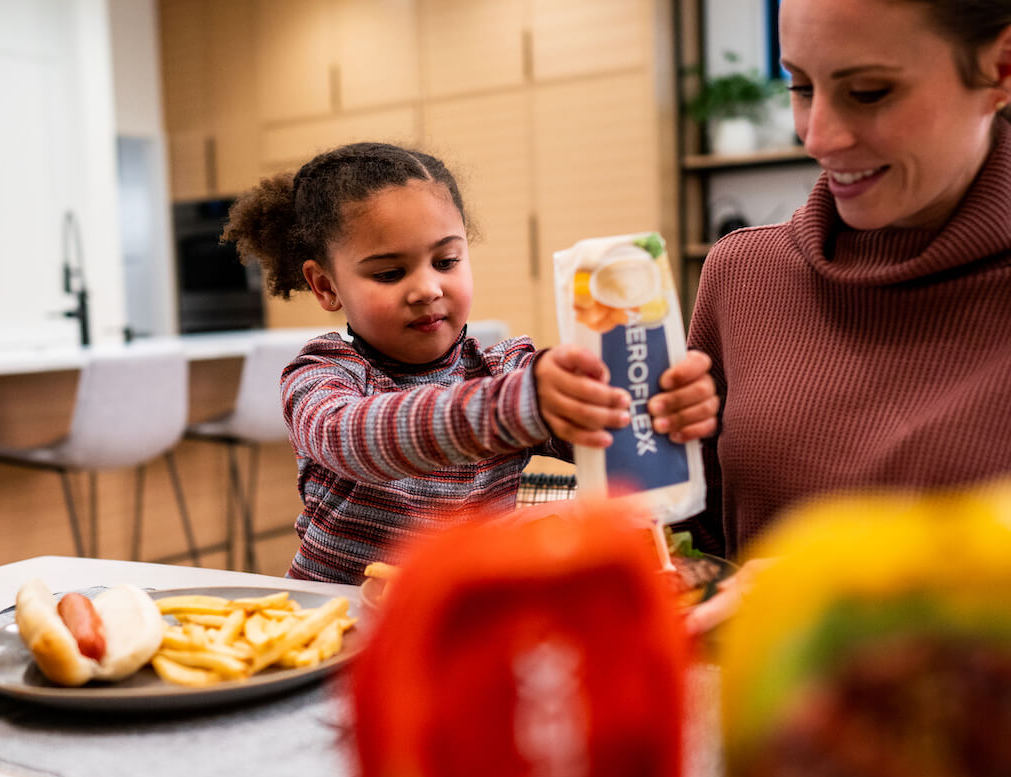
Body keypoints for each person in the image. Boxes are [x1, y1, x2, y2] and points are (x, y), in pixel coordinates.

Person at [223, 142, 718, 584]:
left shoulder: (507, 369)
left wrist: (654, 410)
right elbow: (352, 438)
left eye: (446, 261)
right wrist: (520, 405)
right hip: (343, 628)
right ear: (326, 286)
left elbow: (607, 439)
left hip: (462, 617)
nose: (428, 289)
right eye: (391, 272)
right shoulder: (324, 372)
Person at [684, 0, 1011, 630]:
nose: (817, 136)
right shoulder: (742, 275)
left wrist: (837, 590)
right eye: (800, 87)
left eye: (869, 92)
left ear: (999, 69)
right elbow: (695, 539)